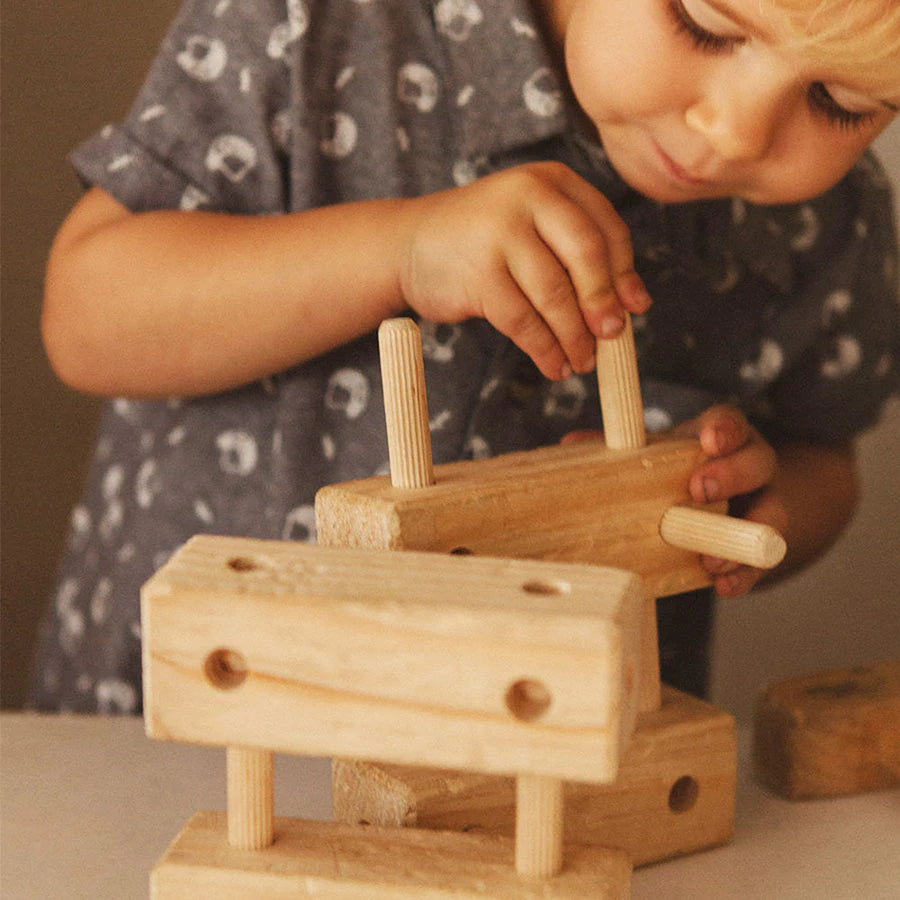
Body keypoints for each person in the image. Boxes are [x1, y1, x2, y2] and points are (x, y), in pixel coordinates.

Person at [30, 0, 899, 713]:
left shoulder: (836, 222)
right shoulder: (319, 25)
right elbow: (86, 314)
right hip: (186, 721)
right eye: (705, 24)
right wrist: (402, 250)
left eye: (841, 104)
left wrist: (751, 500)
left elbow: (824, 459)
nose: (736, 131)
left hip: (556, 756)